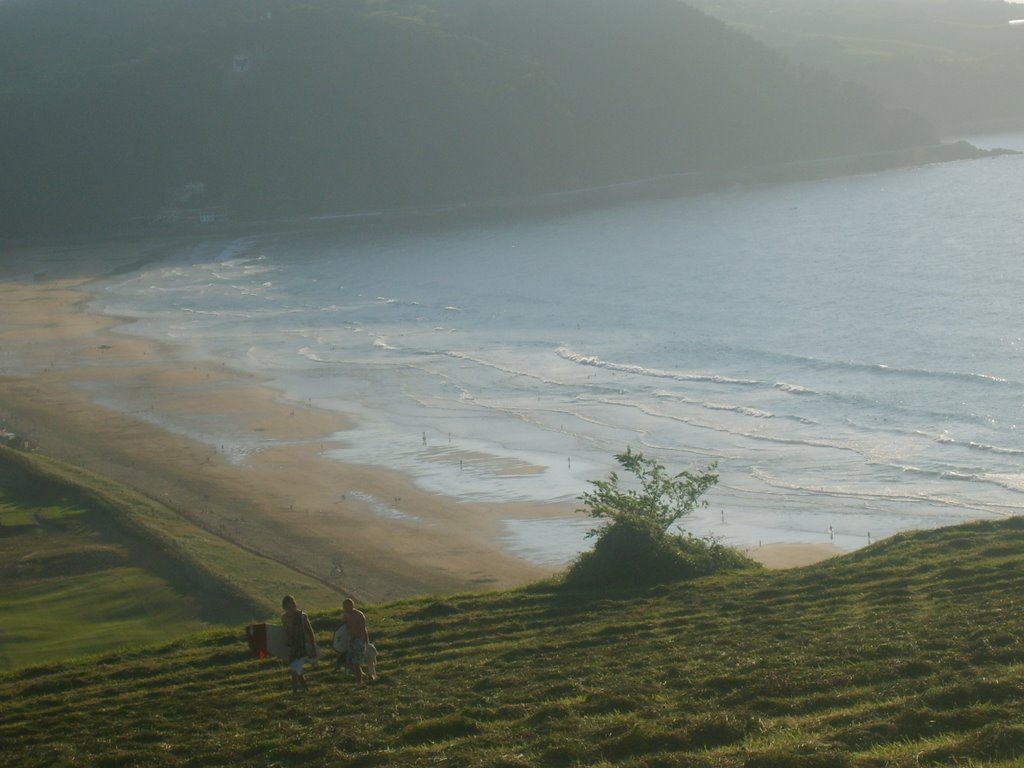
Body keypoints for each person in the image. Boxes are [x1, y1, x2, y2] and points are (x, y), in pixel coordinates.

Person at [281, 594, 317, 692]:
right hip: (293, 646)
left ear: (294, 604)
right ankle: (305, 688)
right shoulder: (284, 618)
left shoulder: (302, 616)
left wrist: (313, 646)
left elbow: (310, 631)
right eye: (287, 605)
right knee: (297, 669)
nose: (290, 607)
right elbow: (286, 632)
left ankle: (294, 692)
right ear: (285, 607)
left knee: (294, 670)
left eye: (291, 604)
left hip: (303, 645)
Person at [342, 598, 371, 683]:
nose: (346, 609)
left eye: (348, 606)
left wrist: (366, 641)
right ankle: (364, 676)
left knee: (356, 662)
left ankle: (359, 681)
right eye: (345, 607)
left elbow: (363, 628)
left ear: (352, 606)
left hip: (359, 640)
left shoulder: (359, 614)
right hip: (350, 641)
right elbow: (343, 629)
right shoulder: (345, 615)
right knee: (353, 664)